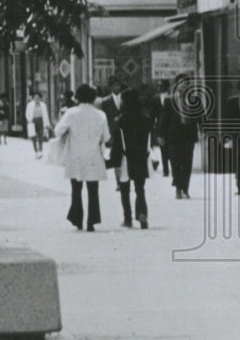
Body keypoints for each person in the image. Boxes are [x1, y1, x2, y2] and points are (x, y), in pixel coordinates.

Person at [54, 83, 110, 231]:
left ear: (77, 97)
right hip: (93, 155)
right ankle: (92, 221)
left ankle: (77, 219)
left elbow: (58, 131)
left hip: (76, 155)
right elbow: (106, 137)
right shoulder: (101, 115)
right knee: (93, 189)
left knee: (76, 189)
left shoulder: (71, 113)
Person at [108, 88, 152, 229]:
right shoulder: (146, 119)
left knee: (124, 188)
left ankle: (127, 218)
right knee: (140, 188)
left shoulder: (120, 121)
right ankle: (142, 213)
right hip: (141, 156)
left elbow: (117, 143)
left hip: (125, 158)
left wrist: (113, 160)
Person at [160, 74, 198, 199]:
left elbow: (201, 117)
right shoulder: (169, 100)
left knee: (187, 164)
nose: (184, 85)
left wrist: (205, 130)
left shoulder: (194, 100)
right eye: (181, 83)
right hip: (174, 136)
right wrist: (161, 135)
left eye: (186, 83)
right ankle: (178, 187)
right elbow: (164, 120)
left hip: (188, 135)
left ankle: (185, 189)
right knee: (175, 163)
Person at [149, 79, 172, 177]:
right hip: (160, 126)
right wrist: (151, 124)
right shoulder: (155, 98)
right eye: (158, 85)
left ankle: (174, 168)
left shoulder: (171, 97)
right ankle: (166, 170)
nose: (159, 87)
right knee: (163, 148)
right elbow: (153, 113)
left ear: (166, 86)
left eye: (161, 85)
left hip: (171, 126)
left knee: (172, 148)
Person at [26, 91, 52, 160]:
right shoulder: (30, 105)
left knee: (40, 137)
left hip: (41, 121)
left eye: (38, 97)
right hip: (33, 121)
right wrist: (29, 120)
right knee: (33, 137)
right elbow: (27, 113)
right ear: (33, 98)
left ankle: (40, 151)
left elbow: (46, 114)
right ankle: (36, 152)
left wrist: (47, 124)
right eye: (35, 97)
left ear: (40, 98)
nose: (36, 99)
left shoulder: (43, 105)